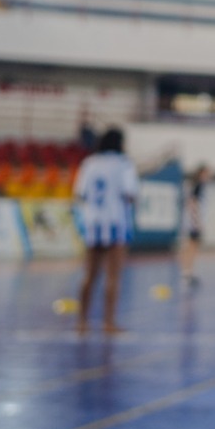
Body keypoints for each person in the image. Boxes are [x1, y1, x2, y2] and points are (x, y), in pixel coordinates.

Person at [72, 127, 139, 335]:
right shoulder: (124, 165)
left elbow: (79, 193)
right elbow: (130, 194)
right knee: (113, 276)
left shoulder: (89, 164)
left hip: (93, 223)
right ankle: (108, 322)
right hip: (116, 223)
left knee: (89, 275)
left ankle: (82, 321)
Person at [178, 163, 211, 287]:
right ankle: (186, 273)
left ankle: (189, 272)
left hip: (192, 222)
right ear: (202, 173)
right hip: (193, 223)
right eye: (207, 172)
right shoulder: (198, 186)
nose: (210, 175)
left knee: (193, 247)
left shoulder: (198, 186)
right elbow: (193, 203)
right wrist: (197, 222)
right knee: (191, 247)